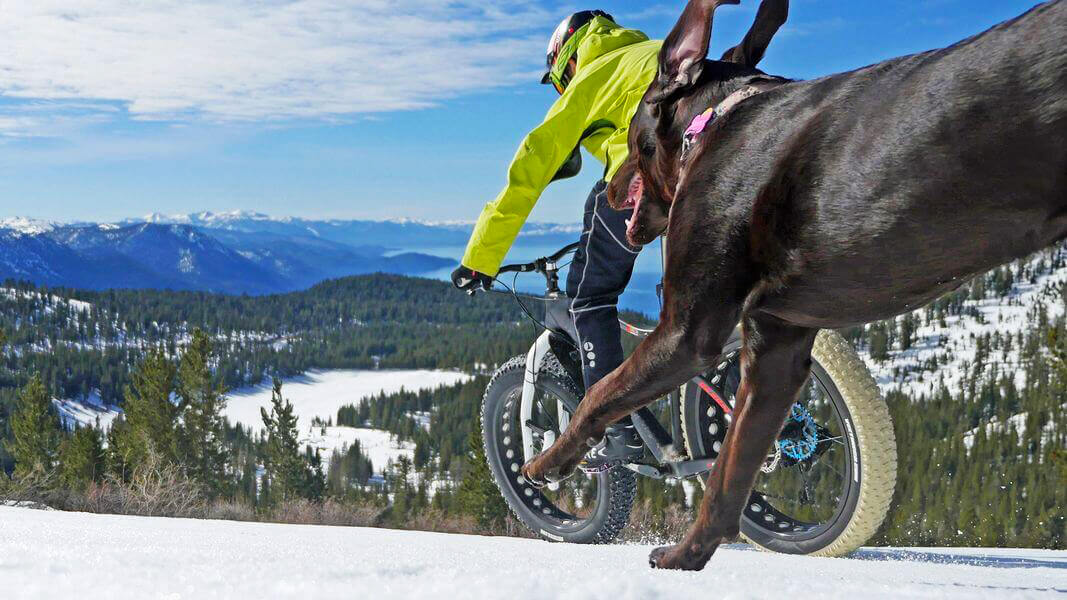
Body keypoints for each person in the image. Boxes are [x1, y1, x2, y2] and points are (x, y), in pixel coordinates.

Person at [451, 10, 660, 469]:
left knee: (590, 297)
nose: (563, 91)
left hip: (651, 176)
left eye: (558, 81)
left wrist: (480, 257)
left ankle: (614, 429)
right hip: (718, 158)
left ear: (567, 59)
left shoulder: (594, 75)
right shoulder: (655, 52)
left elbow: (532, 165)